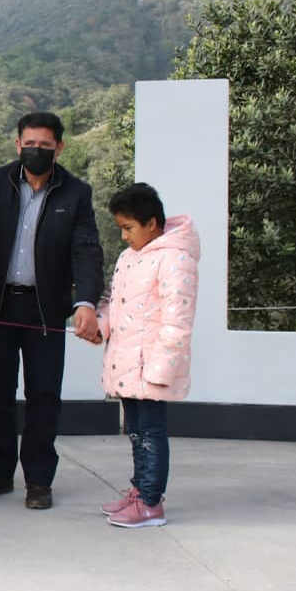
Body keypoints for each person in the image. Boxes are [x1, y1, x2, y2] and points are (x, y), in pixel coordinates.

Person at [0, 111, 104, 510]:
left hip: (46, 310)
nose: (37, 151)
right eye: (30, 144)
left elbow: (86, 251)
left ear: (60, 148)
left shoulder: (76, 193)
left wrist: (86, 302)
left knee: (44, 396)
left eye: (45, 146)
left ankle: (39, 480)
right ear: (17, 145)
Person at [95, 183, 199, 528]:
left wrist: (160, 370)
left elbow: (178, 321)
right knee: (137, 432)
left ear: (152, 223)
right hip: (129, 365)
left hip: (151, 368)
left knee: (151, 433)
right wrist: (100, 326)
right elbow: (116, 304)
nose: (124, 237)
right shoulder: (129, 258)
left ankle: (151, 502)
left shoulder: (175, 259)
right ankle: (140, 490)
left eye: (128, 228)